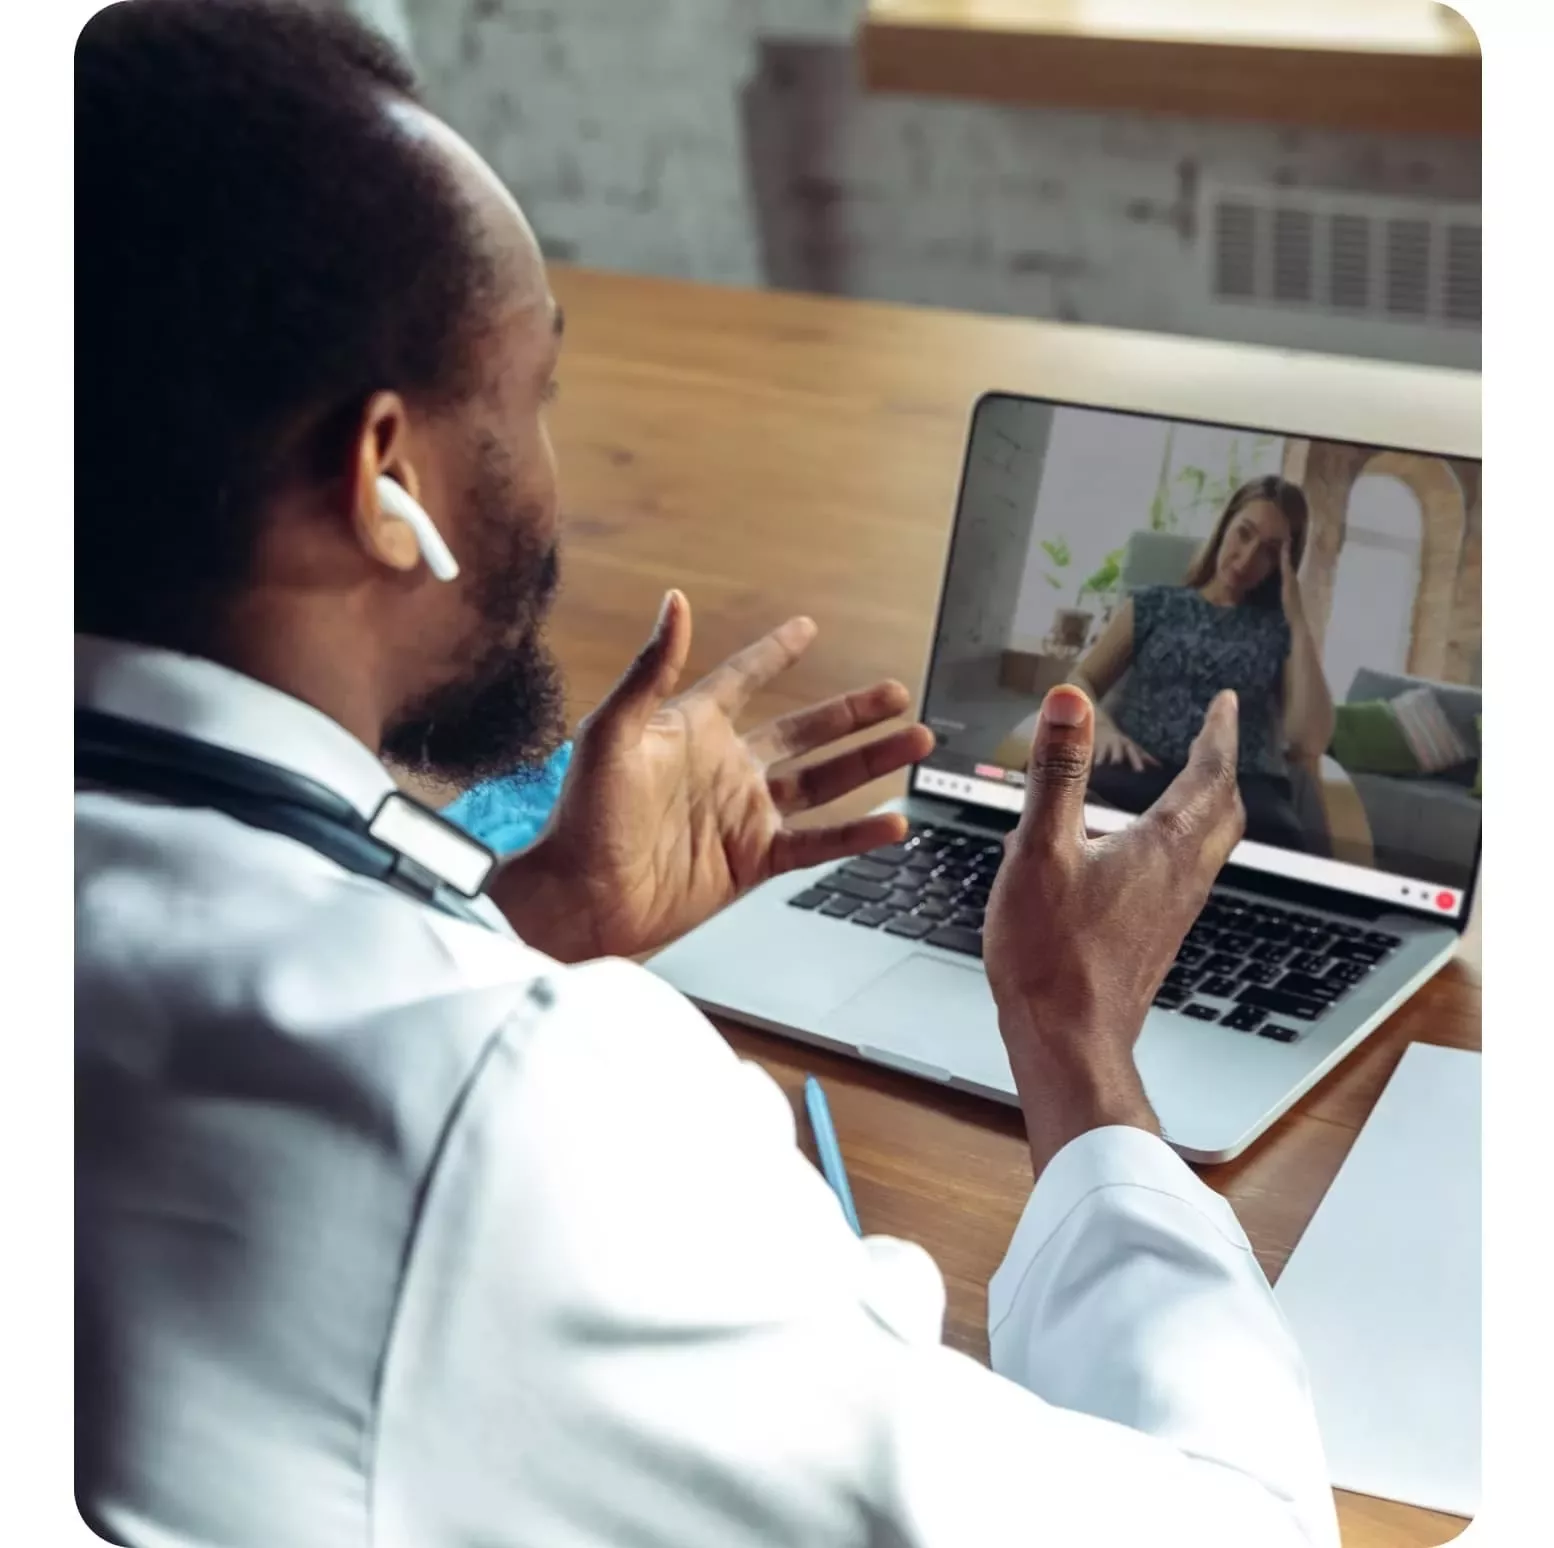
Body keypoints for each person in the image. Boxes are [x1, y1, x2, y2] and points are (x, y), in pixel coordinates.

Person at [74, 4, 1338, 1546]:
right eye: (534, 395)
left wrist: (521, 913)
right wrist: (1072, 1042)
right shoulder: (506, 1118)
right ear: (385, 478)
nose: (558, 469)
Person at [1068, 476, 1337, 853]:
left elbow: (1309, 739)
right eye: (1243, 534)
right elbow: (1079, 680)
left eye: (1269, 551)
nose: (1246, 559)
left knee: (1278, 842)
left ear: (1283, 564)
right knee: (1065, 803)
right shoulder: (1153, 605)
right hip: (1139, 769)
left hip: (1237, 789)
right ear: (1224, 525)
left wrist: (1296, 614)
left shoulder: (1280, 631)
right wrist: (1104, 728)